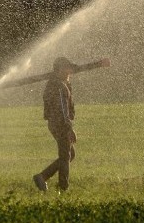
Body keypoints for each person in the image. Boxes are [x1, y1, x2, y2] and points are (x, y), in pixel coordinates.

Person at [33, 57, 109, 192]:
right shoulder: (59, 87)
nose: (70, 71)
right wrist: (69, 128)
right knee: (65, 155)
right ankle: (63, 187)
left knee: (68, 155)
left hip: (56, 123)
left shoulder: (57, 82)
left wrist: (98, 64)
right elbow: (62, 110)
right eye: (67, 68)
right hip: (60, 124)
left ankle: (42, 176)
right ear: (60, 70)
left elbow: (79, 68)